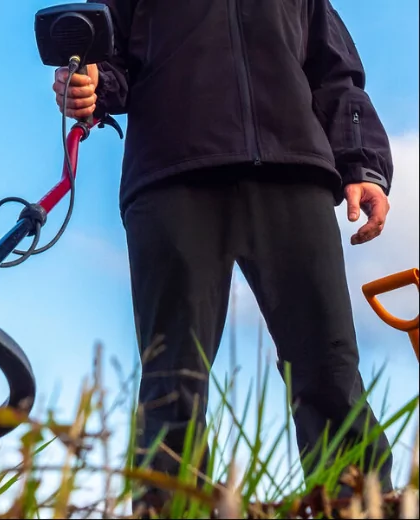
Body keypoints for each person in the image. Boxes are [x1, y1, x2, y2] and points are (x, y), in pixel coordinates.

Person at [52, 0, 394, 511]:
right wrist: (90, 86)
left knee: (328, 366)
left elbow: (336, 72)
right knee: (173, 375)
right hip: (172, 177)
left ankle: (358, 506)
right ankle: (171, 508)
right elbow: (110, 61)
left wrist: (362, 165)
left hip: (293, 171)